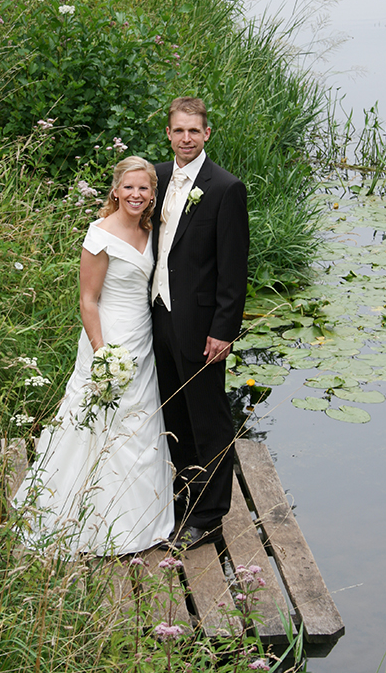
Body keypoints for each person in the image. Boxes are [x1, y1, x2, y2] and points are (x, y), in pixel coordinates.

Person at [14, 156, 174, 555]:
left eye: (144, 188)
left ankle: (136, 518)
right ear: (116, 190)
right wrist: (102, 355)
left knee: (136, 424)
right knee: (92, 421)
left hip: (141, 338)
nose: (136, 195)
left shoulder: (152, 231)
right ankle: (75, 515)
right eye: (129, 187)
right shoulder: (99, 235)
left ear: (153, 194)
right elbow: (88, 300)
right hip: (108, 339)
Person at [151, 97, 249, 550]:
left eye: (194, 131)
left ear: (206, 133)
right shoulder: (157, 177)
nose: (186, 138)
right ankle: (184, 499)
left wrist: (224, 330)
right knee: (175, 416)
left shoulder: (226, 188)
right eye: (178, 131)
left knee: (209, 420)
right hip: (158, 318)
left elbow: (233, 269)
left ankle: (209, 518)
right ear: (168, 133)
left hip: (202, 326)